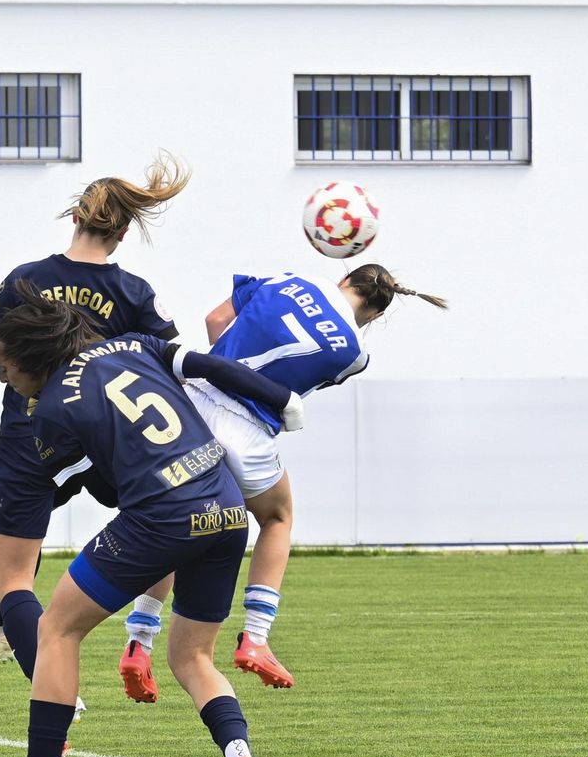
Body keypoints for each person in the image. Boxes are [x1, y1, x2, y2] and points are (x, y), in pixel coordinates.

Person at [0, 284, 305, 757]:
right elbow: (207, 367)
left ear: (31, 359)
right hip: (226, 507)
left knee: (56, 630)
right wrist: (281, 399)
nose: (3, 378)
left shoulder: (52, 408)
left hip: (162, 516)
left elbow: (80, 481)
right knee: (192, 657)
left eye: (4, 367)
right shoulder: (136, 343)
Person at [0, 155, 187, 687]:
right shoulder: (135, 292)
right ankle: (119, 633)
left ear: (75, 217)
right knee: (164, 521)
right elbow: (168, 370)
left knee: (13, 572)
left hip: (31, 438)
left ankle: (55, 698)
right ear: (123, 233)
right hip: (107, 439)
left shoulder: (26, 281)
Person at [118, 265, 447, 701]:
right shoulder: (357, 355)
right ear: (377, 313)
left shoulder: (288, 279)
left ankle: (139, 642)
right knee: (278, 517)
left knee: (180, 516)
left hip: (190, 403)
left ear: (345, 277)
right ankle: (255, 636)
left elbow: (215, 321)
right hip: (247, 429)